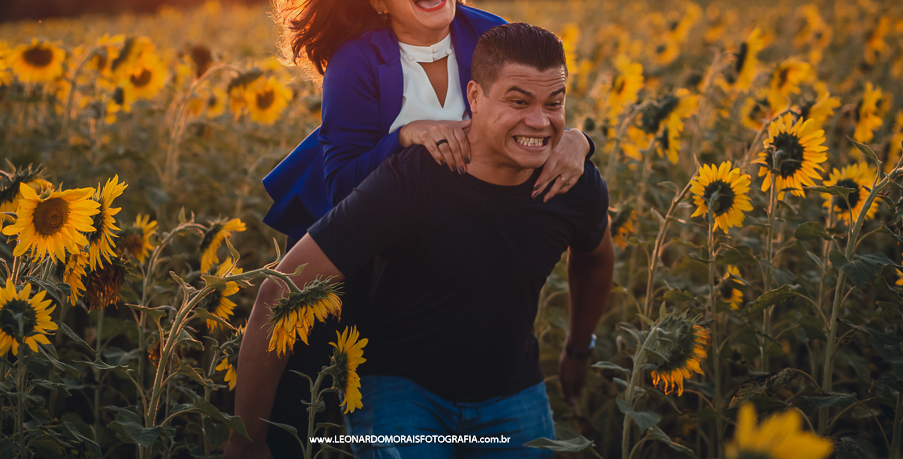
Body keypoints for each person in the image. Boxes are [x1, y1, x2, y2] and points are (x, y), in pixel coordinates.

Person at [259, 0, 594, 455]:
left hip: (462, 240)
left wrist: (578, 140)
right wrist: (407, 134)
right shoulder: (357, 60)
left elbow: (538, 113)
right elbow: (342, 184)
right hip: (372, 258)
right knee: (322, 389)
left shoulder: (488, 34)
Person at [226, 23, 614, 459]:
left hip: (512, 392)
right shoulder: (417, 176)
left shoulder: (570, 182)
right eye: (518, 102)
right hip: (402, 391)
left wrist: (579, 348)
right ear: (474, 97)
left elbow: (595, 259)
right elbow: (281, 288)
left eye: (554, 103)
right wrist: (247, 439)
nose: (540, 122)